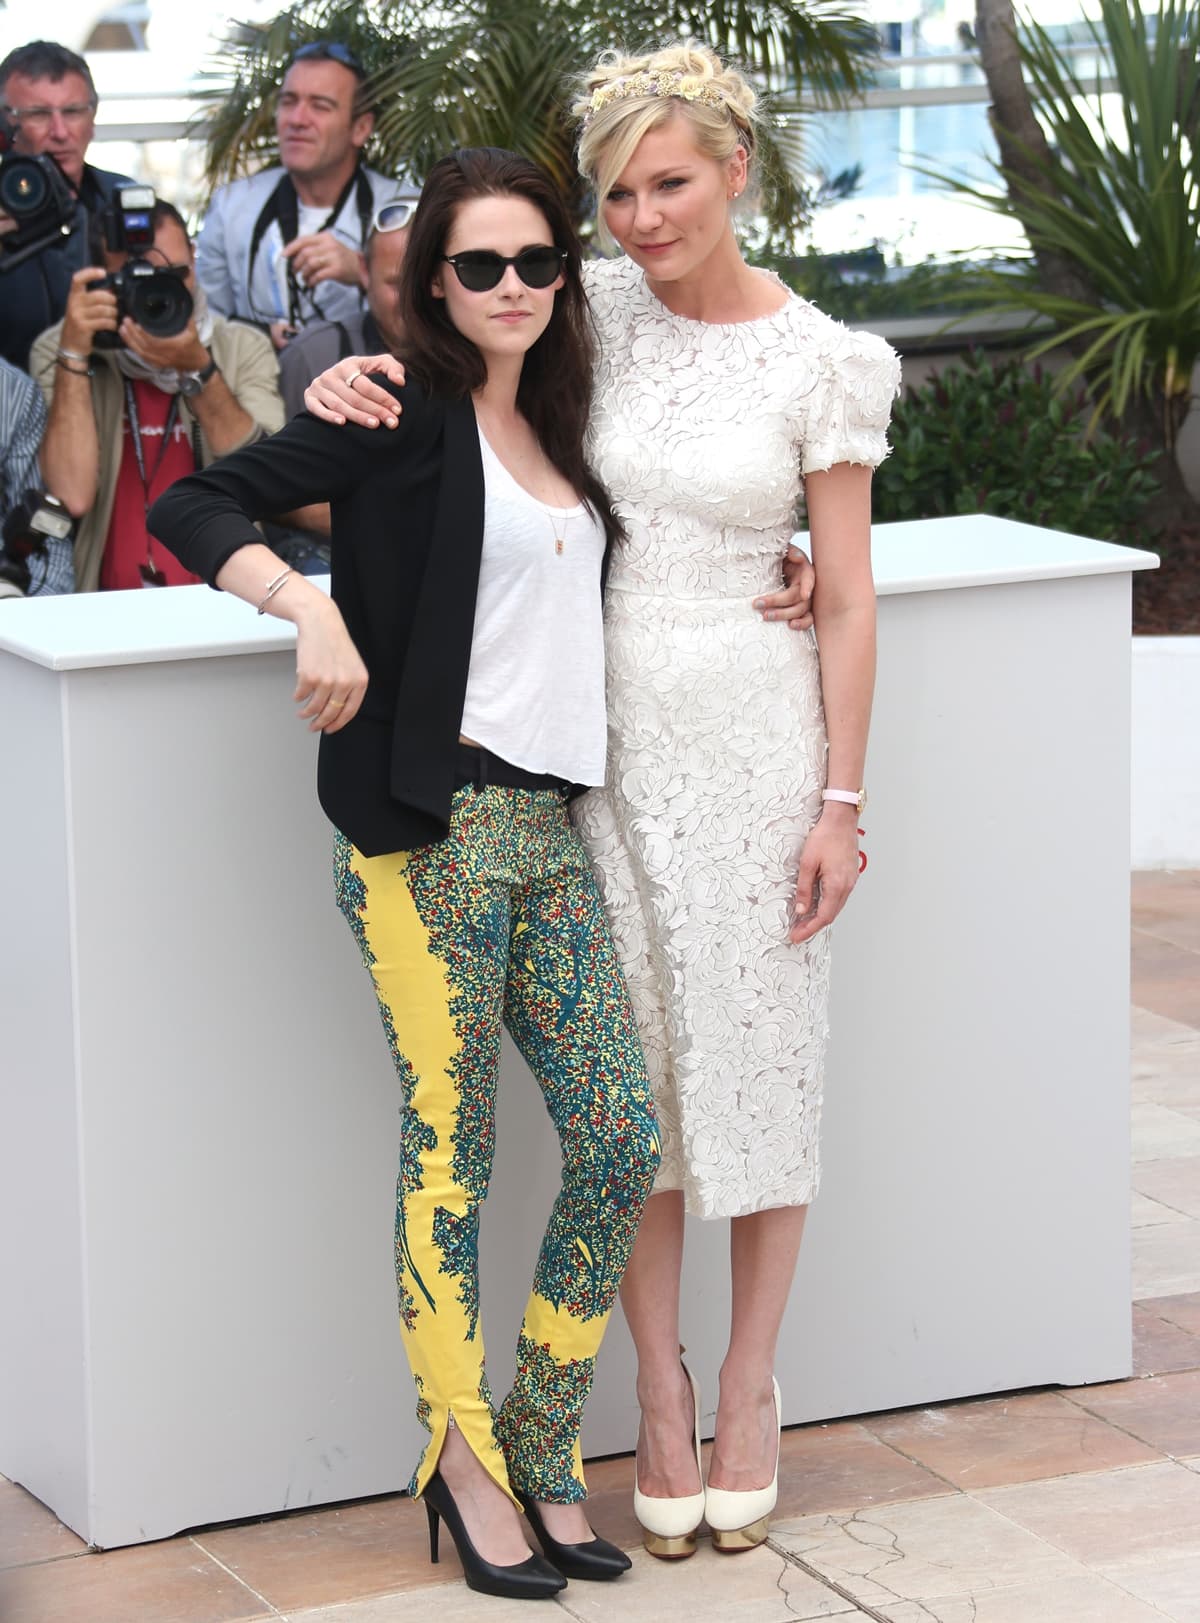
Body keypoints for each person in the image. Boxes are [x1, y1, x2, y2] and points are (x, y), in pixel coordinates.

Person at [302, 41, 900, 1562]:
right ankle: (659, 1383)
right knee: (633, 1094)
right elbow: (455, 367)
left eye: (672, 184)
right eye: (620, 192)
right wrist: (340, 372)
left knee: (760, 1067)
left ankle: (755, 1379)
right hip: (597, 753)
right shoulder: (584, 309)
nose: (641, 218)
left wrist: (840, 796)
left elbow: (849, 599)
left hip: (758, 749)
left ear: (740, 174)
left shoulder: (823, 357)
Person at [148, 147, 660, 1600]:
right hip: (426, 841)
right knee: (455, 1148)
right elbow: (201, 504)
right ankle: (464, 1457)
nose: (514, 287)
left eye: (538, 262)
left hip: (549, 836)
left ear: (566, 276)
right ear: (433, 281)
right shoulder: (396, 409)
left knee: (618, 1133)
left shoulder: (569, 418)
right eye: (480, 265)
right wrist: (306, 601)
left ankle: (550, 1445)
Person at [33, 200, 285, 593]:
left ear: (195, 263)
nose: (159, 292)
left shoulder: (240, 348)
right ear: (101, 281)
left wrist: (198, 369)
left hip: (228, 601)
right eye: (139, 279)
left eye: (174, 275)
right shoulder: (64, 350)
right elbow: (71, 495)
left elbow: (272, 482)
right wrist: (74, 355)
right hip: (101, 608)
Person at [195, 41, 417, 352]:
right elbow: (204, 318)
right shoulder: (230, 206)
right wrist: (255, 334)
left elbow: (437, 319)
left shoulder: (409, 208)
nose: (297, 119)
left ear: (361, 128)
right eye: (288, 102)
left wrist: (365, 272)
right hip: (258, 387)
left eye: (320, 105)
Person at [0, 40, 133, 370]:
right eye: (38, 114)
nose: (60, 133)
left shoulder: (127, 199)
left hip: (111, 403)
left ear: (93, 119)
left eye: (73, 112)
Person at [277, 197, 413, 418]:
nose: (415, 299)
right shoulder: (309, 357)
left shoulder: (480, 355)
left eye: (431, 282)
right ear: (363, 272)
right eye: (398, 284)